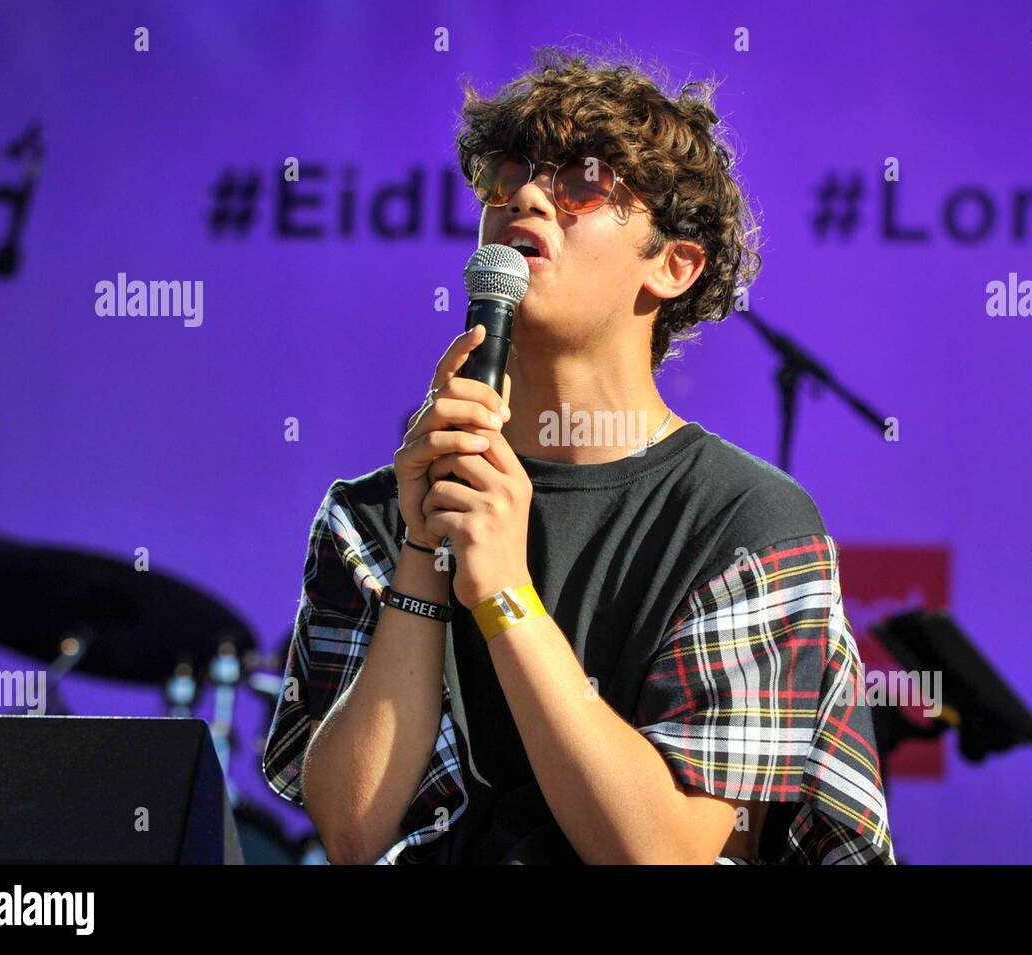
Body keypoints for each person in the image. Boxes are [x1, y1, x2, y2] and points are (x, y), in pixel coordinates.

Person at [263, 47, 895, 865]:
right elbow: (355, 833)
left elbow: (662, 850)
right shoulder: (374, 516)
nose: (527, 195)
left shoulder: (748, 522)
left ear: (673, 265)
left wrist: (504, 596)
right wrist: (426, 552)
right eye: (507, 175)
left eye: (582, 182)